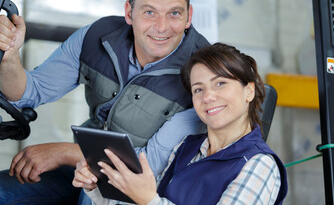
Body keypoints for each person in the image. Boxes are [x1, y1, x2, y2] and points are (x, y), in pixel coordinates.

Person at [0, 0, 210, 204]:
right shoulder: (98, 36)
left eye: (174, 13)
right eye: (150, 12)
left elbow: (151, 163)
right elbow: (28, 94)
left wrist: (64, 153)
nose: (162, 27)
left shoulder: (203, 72)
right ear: (129, 13)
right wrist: (9, 57)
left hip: (143, 189)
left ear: (189, 16)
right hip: (83, 169)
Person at [73, 43, 288, 205]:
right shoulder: (186, 147)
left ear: (249, 90)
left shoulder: (259, 165)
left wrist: (149, 200)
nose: (208, 97)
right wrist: (96, 188)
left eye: (220, 83)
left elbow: (148, 201)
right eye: (198, 89)